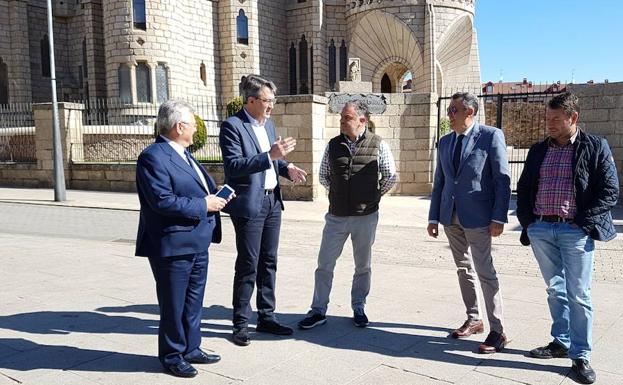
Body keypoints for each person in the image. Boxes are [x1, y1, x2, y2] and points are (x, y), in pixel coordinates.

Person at [516, 92, 619, 384]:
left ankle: (581, 355)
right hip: (541, 230)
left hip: (574, 232)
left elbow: (610, 191)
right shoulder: (538, 150)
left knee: (579, 294)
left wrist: (582, 223)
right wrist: (529, 222)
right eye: (547, 118)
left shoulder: (595, 146)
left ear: (572, 118)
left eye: (554, 119)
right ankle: (560, 342)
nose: (548, 124)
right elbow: (524, 188)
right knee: (554, 289)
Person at [135, 100, 229, 378]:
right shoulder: (153, 156)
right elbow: (162, 201)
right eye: (193, 123)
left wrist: (218, 194)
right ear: (179, 127)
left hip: (197, 241)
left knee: (193, 300)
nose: (197, 127)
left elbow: (199, 189)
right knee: (173, 303)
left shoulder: (185, 154)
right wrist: (204, 205)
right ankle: (172, 354)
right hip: (173, 244)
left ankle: (191, 347)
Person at [219, 74, 307, 346]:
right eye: (268, 101)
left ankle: (266, 316)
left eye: (273, 101)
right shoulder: (232, 126)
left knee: (269, 262)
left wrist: (286, 167)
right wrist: (271, 155)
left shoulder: (268, 126)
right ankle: (241, 323)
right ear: (251, 100)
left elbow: (272, 161)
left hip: (272, 202)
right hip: (249, 204)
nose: (272, 106)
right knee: (248, 264)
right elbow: (234, 166)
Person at [297, 100, 396, 330]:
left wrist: (372, 196)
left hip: (366, 216)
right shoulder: (333, 145)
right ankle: (318, 310)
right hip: (336, 216)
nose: (341, 121)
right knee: (324, 264)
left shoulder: (378, 144)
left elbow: (390, 176)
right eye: (341, 118)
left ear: (362, 120)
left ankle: (359, 306)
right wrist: (339, 194)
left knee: (363, 265)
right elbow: (324, 175)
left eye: (346, 118)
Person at [427, 92, 511, 354]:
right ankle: (474, 318)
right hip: (450, 216)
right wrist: (433, 216)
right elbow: (440, 182)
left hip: (479, 218)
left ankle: (498, 330)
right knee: (463, 269)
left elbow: (502, 180)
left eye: (454, 110)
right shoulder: (444, 142)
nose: (449, 115)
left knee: (485, 272)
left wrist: (499, 217)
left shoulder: (490, 136)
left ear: (470, 113)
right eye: (449, 110)